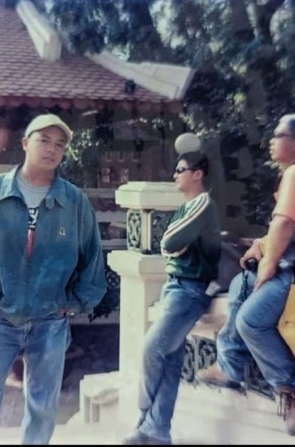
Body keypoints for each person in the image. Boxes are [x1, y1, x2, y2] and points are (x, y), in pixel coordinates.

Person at [0, 113, 107, 445]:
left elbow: (92, 258)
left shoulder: (73, 201)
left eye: (59, 144)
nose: (51, 149)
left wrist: (74, 302)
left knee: (42, 408)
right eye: (43, 140)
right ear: (25, 143)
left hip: (50, 322)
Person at [197, 112, 295, 436]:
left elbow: (285, 223)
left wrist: (267, 266)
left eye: (279, 135)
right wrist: (261, 246)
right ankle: (230, 366)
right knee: (240, 284)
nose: (272, 141)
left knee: (251, 321)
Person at [121, 151, 221, 445]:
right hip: (176, 286)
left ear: (198, 174)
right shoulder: (186, 208)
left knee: (151, 350)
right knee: (169, 363)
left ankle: (144, 418)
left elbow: (168, 242)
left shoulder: (202, 203)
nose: (175, 175)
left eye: (180, 170)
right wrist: (174, 246)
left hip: (189, 290)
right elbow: (171, 244)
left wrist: (174, 245)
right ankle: (157, 431)